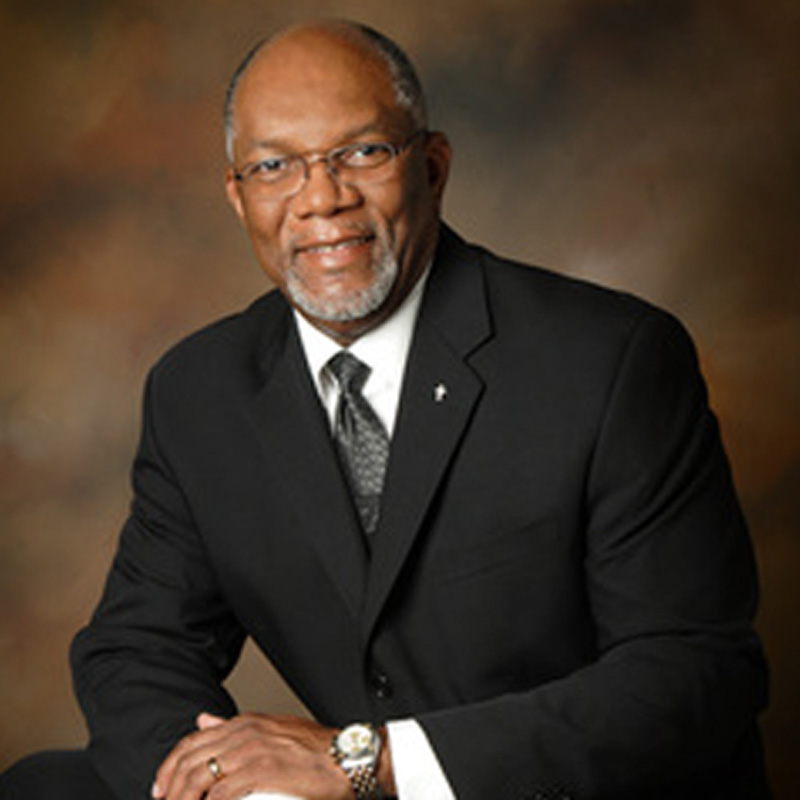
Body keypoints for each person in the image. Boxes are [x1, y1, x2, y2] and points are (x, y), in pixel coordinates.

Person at [0, 18, 771, 800]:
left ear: (432, 167)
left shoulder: (611, 360)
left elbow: (693, 673)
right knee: (45, 788)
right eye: (275, 167)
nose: (322, 200)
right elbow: (138, 649)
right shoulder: (198, 390)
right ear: (238, 198)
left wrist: (366, 764)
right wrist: (248, 789)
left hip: (545, 786)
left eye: (363, 153)